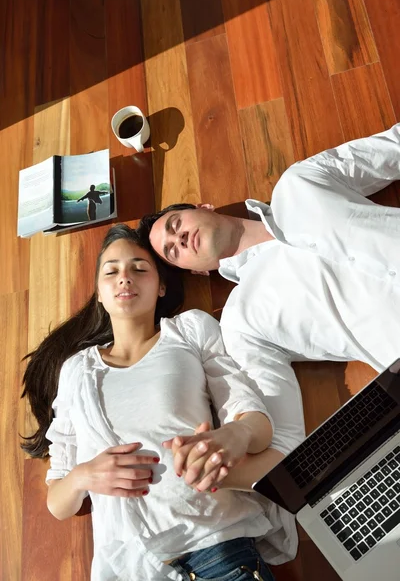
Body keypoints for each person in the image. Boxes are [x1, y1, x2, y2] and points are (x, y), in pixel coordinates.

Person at [21, 223, 296, 581]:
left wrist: (235, 435)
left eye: (139, 268)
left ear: (161, 286)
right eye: (112, 271)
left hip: (217, 550)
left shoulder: (189, 331)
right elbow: (58, 502)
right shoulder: (76, 371)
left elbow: (256, 425)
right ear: (100, 294)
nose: (125, 278)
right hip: (131, 568)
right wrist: (82, 477)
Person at [139, 123, 400, 459]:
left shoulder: (299, 184)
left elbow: (390, 150)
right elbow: (280, 433)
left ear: (203, 208)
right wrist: (236, 437)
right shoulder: (243, 321)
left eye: (176, 226)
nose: (179, 239)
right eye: (173, 251)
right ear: (197, 271)